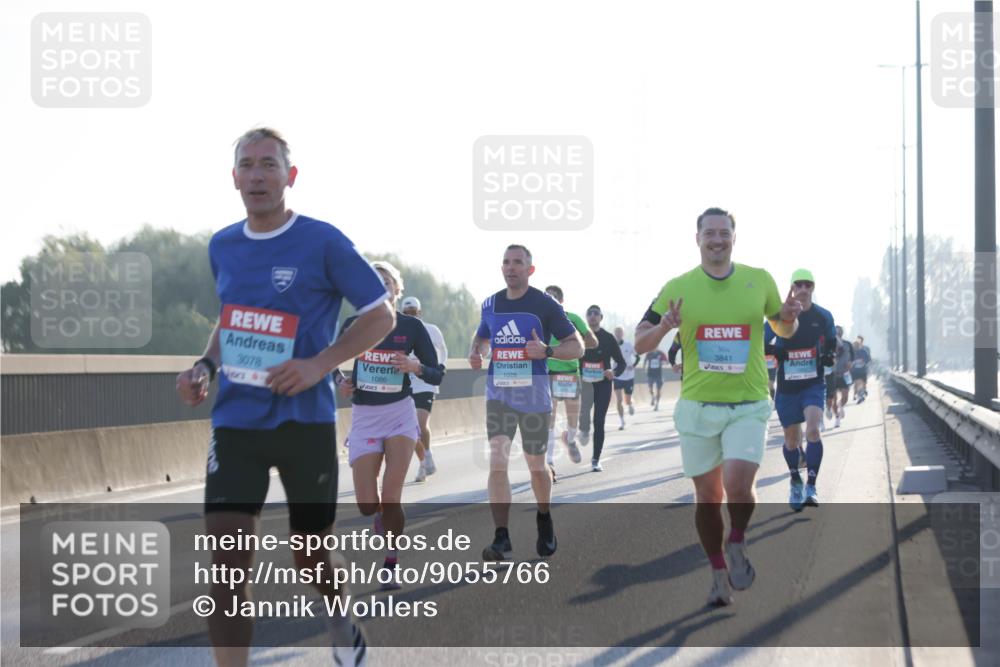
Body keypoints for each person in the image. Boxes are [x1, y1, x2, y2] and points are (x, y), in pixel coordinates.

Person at [175, 128, 389, 667]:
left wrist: (320, 363)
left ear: (289, 177)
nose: (256, 175)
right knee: (225, 567)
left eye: (268, 164)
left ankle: (340, 618)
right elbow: (230, 322)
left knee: (310, 555)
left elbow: (381, 315)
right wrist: (205, 365)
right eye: (246, 165)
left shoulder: (322, 241)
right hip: (236, 424)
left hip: (304, 423)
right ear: (234, 179)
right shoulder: (222, 245)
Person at [634, 207, 802, 607]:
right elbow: (640, 342)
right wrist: (664, 327)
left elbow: (782, 325)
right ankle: (717, 571)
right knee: (707, 499)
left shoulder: (758, 280)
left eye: (724, 233)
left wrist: (790, 319)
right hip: (698, 407)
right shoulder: (678, 287)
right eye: (709, 233)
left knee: (740, 485)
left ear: (733, 238)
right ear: (697, 239)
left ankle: (737, 540)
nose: (717, 240)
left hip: (747, 404)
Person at [468, 245, 583, 560]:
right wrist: (475, 351)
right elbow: (481, 336)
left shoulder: (544, 304)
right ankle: (501, 537)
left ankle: (544, 517)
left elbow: (577, 347)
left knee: (536, 466)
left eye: (518, 262)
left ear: (530, 269)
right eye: (506, 262)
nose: (511, 267)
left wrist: (546, 351)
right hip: (499, 395)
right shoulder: (490, 303)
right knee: (497, 462)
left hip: (533, 397)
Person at [336, 263, 444, 589]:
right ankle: (380, 515)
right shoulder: (354, 324)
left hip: (399, 414)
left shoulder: (411, 327)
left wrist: (415, 366)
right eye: (374, 282)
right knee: (368, 504)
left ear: (397, 289)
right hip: (366, 417)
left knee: (392, 496)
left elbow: (437, 372)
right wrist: (340, 380)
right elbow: (328, 358)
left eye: (387, 282)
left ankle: (391, 563)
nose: (381, 286)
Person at [763, 269, 836, 512]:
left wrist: (828, 355)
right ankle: (795, 479)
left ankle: (811, 486)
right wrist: (775, 351)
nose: (804, 289)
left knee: (813, 431)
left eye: (808, 285)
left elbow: (832, 340)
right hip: (787, 387)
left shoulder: (823, 316)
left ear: (813, 288)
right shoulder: (780, 316)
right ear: (792, 288)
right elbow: (759, 341)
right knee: (792, 440)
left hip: (813, 384)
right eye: (799, 285)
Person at [543, 285, 598, 483]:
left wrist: (575, 343)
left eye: (554, 297)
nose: (550, 299)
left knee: (572, 418)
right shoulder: (539, 320)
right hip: (548, 373)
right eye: (546, 296)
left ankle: (570, 438)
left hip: (570, 374)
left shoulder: (572, 319)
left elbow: (593, 341)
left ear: (561, 301)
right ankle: (549, 463)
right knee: (549, 416)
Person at [400, 296, 448, 482]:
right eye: (406, 313)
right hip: (407, 382)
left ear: (419, 312)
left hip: (426, 382)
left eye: (413, 313)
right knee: (410, 428)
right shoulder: (398, 328)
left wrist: (441, 366)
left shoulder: (431, 330)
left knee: (420, 424)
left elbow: (442, 349)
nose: (410, 316)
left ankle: (426, 454)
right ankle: (423, 462)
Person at [577, 306, 626, 471]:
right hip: (585, 383)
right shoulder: (579, 336)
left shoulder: (608, 338)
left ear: (601, 317)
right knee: (584, 414)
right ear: (586, 317)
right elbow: (571, 355)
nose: (592, 316)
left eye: (595, 313)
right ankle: (583, 428)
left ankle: (596, 459)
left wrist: (613, 371)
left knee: (599, 421)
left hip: (603, 384)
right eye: (589, 313)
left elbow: (622, 363)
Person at [613, 326, 640, 430]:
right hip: (617, 376)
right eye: (616, 332)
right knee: (619, 400)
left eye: (620, 332)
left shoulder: (628, 345)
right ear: (614, 334)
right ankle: (622, 421)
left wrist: (632, 366)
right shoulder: (612, 346)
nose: (618, 334)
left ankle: (630, 405)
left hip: (629, 376)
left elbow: (637, 357)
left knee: (627, 400)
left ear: (622, 334)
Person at [827, 326, 854, 427]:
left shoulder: (848, 345)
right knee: (833, 399)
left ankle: (840, 405)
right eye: (835, 333)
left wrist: (850, 364)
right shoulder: (828, 345)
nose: (837, 335)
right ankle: (837, 418)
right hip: (832, 375)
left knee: (845, 396)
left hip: (844, 374)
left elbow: (852, 358)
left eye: (839, 333)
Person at [851, 335, 871, 403]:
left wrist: (863, 361)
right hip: (855, 371)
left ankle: (861, 394)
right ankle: (859, 396)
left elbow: (868, 360)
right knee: (857, 383)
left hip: (863, 370)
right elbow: (849, 360)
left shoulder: (864, 351)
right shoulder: (852, 352)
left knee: (863, 383)